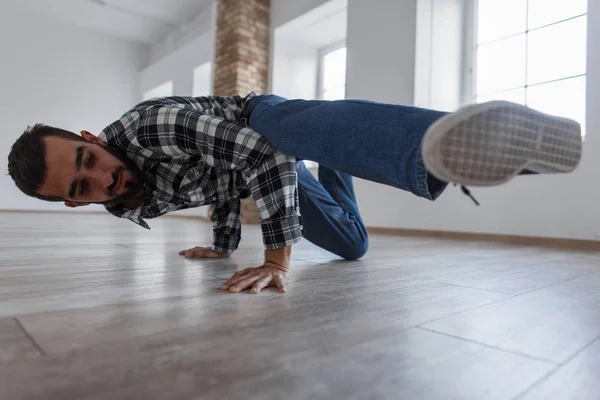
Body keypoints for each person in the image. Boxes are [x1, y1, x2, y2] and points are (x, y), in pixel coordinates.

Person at [7, 93, 583, 294]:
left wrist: (277, 258)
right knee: (353, 248)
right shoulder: (122, 199)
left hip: (261, 124)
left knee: (284, 129)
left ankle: (510, 152)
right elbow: (220, 181)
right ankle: (336, 148)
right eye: (83, 187)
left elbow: (252, 154)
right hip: (262, 168)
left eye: (89, 160)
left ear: (89, 139)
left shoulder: (147, 128)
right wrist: (225, 244)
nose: (103, 177)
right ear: (77, 203)